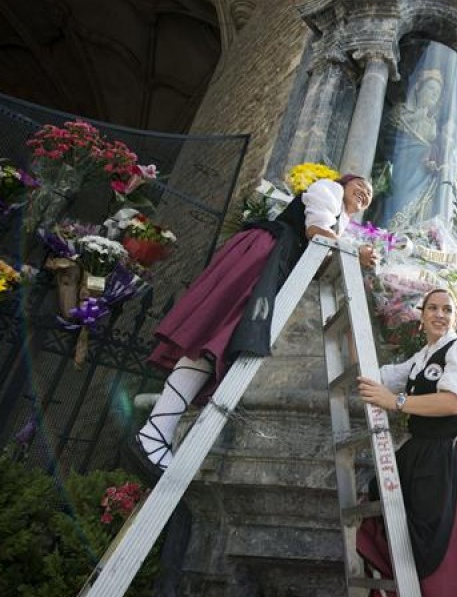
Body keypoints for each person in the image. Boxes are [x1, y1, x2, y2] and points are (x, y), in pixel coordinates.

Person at [132, 174, 374, 472]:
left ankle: (157, 430)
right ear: (344, 182)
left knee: (217, 343)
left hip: (274, 262)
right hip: (264, 255)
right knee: (216, 338)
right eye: (360, 185)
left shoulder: (341, 220)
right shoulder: (329, 189)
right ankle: (155, 432)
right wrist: (353, 253)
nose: (365, 192)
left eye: (370, 194)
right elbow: (315, 231)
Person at [355, 288, 457, 597]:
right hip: (419, 452)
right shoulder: (421, 356)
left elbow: (452, 402)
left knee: (436, 548)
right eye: (432, 307)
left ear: (455, 318)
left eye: (447, 309)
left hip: (445, 456)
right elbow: (377, 376)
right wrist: (352, 326)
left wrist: (396, 402)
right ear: (421, 314)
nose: (439, 314)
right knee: (381, 509)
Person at [375, 69, 448, 230]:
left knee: (418, 205)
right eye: (430, 89)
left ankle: (405, 231)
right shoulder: (402, 111)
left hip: (420, 172)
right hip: (400, 165)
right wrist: (415, 117)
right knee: (397, 197)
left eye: (437, 93)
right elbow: (387, 133)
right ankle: (386, 230)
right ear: (418, 89)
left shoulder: (432, 125)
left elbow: (433, 146)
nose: (434, 94)